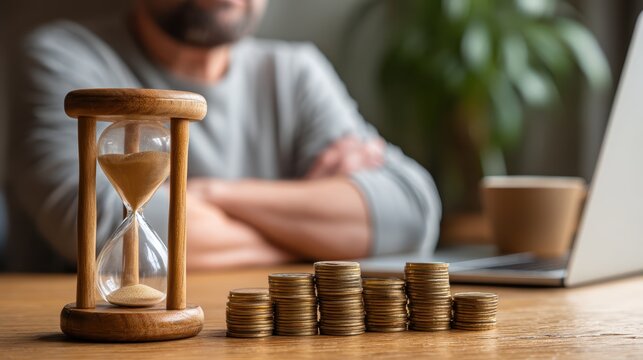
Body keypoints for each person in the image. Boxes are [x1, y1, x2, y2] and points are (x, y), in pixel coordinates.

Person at [5, 0, 441, 272]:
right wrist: (313, 235)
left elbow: (412, 211)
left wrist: (211, 194)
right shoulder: (65, 57)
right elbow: (102, 232)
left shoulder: (294, 72)